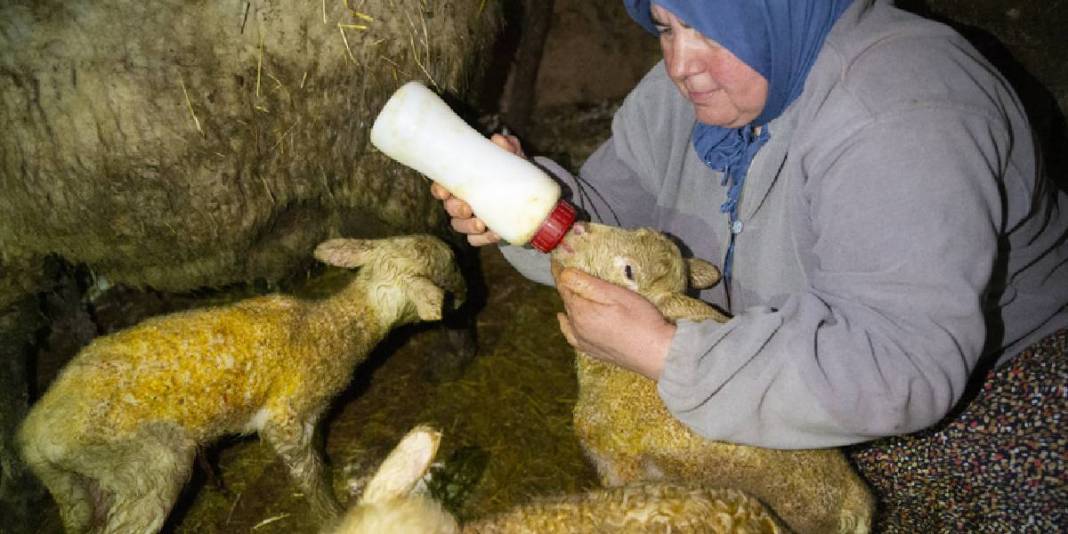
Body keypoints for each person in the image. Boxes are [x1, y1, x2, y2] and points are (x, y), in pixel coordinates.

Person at [432, 0, 1068, 529]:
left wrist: (668, 353)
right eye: (666, 24)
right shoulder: (688, 92)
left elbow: (899, 368)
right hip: (765, 366)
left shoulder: (905, 110)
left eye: (710, 27)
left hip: (983, 398)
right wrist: (532, 214)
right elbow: (615, 228)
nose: (681, 64)